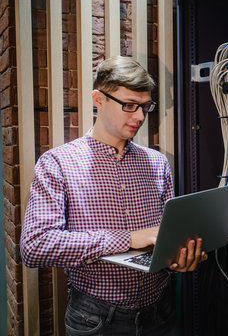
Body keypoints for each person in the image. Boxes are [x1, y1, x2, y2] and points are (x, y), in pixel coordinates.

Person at [20, 56, 206, 335]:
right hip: (96, 319)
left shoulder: (157, 163)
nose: (140, 117)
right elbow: (35, 245)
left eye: (145, 107)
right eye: (129, 105)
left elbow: (164, 234)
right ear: (99, 99)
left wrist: (178, 257)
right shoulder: (58, 162)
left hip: (161, 311)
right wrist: (129, 238)